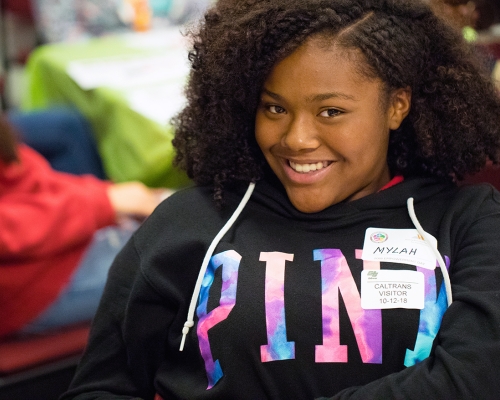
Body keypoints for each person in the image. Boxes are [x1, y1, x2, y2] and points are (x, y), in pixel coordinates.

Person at [61, 0, 500, 399]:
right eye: (275, 108)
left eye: (331, 111)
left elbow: (475, 379)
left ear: (396, 106)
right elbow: (100, 389)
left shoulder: (466, 221)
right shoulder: (192, 223)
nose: (297, 138)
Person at [0, 115, 170, 338]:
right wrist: (105, 204)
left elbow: (23, 178)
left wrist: (105, 194)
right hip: (27, 286)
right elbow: (10, 230)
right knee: (184, 266)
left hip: (47, 253)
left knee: (181, 226)